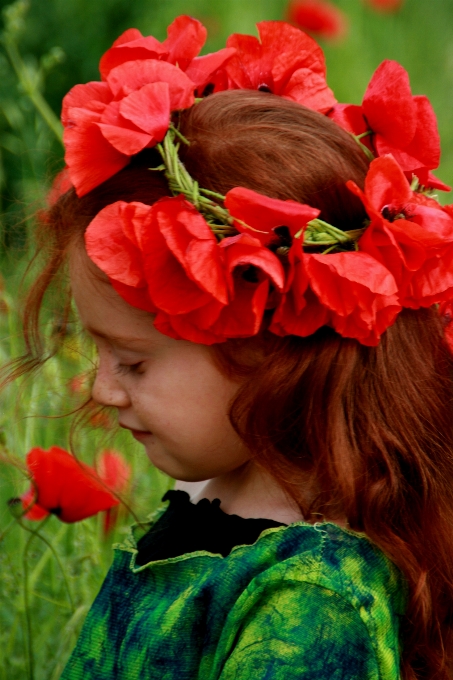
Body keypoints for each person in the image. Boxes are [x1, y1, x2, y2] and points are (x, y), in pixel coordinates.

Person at [16, 15, 453, 680]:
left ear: (273, 348)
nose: (101, 389)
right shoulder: (207, 508)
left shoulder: (312, 597)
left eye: (132, 361)